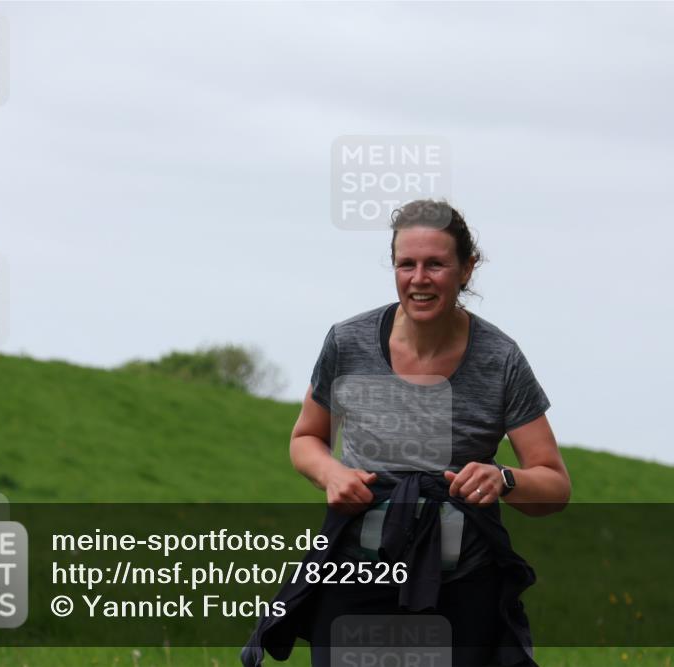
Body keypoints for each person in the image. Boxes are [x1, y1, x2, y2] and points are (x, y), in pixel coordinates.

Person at [241, 200, 571, 667]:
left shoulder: (501, 359)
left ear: (466, 269)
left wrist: (504, 479)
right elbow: (306, 440)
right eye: (406, 264)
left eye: (436, 264)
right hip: (354, 575)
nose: (419, 278)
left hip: (462, 587)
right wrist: (332, 475)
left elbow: (555, 485)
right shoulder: (348, 342)